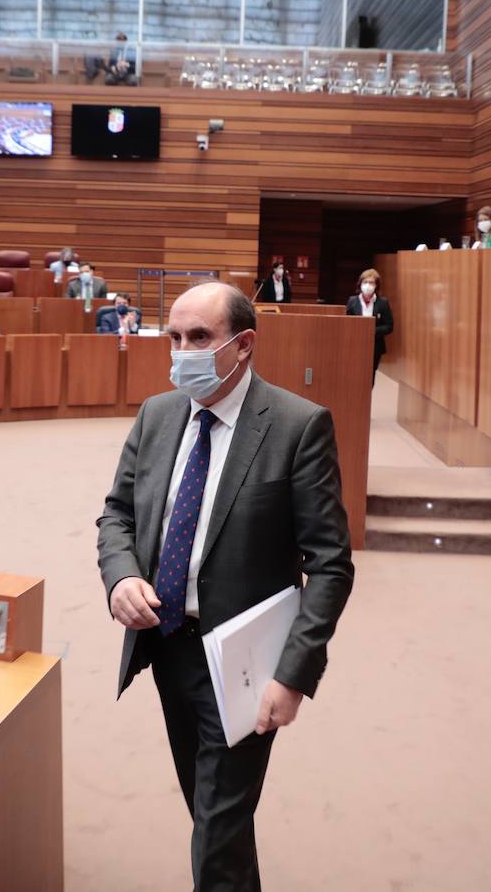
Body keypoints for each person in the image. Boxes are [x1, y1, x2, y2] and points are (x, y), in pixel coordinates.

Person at [96, 281, 353, 892]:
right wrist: (122, 575)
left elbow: (331, 563)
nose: (182, 351)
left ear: (243, 345)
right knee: (213, 812)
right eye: (175, 338)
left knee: (216, 828)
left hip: (243, 662)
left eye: (199, 338)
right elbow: (117, 516)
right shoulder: (158, 415)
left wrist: (292, 675)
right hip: (166, 646)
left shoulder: (297, 425)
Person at [346, 268, 395, 381]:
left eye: (371, 282)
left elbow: (389, 326)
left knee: (369, 377)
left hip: (375, 346)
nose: (368, 285)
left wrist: (372, 330)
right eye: (365, 282)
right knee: (353, 374)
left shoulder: (382, 303)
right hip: (354, 345)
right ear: (360, 284)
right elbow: (346, 321)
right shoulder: (352, 301)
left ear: (376, 285)